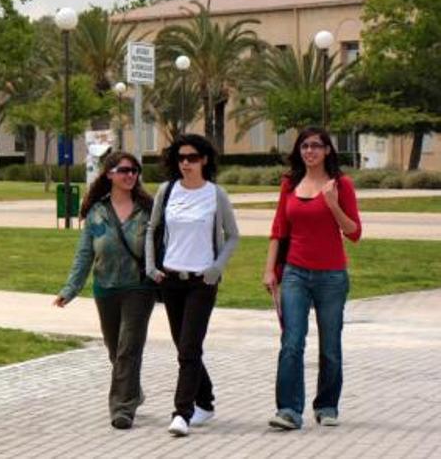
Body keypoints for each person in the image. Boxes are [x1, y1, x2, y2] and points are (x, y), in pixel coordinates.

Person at [263, 127, 361, 431]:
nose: (310, 151)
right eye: (305, 146)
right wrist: (270, 270)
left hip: (331, 276)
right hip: (295, 273)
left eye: (316, 146)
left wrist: (332, 203)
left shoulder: (341, 185)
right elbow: (279, 229)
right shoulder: (290, 184)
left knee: (330, 345)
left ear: (328, 150)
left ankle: (327, 405)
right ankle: (289, 410)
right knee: (291, 341)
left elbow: (354, 232)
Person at [144, 134, 240, 437]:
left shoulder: (216, 194)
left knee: (188, 348)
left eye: (192, 158)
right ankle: (206, 401)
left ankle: (181, 413)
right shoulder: (166, 190)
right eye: (181, 158)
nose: (186, 163)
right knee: (186, 347)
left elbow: (233, 236)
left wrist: (216, 268)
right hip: (171, 280)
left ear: (205, 160)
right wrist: (151, 266)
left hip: (202, 281)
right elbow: (152, 229)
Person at [54, 151, 157, 429]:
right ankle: (132, 391)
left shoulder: (148, 209)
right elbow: (84, 254)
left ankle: (122, 409)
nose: (130, 175)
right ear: (109, 174)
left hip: (139, 287)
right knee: (115, 349)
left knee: (128, 348)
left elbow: (163, 247)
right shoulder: (97, 210)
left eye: (135, 171)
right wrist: (70, 288)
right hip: (106, 288)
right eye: (124, 170)